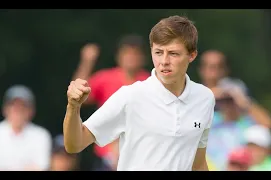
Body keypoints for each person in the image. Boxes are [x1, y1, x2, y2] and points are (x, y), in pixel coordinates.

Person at [63, 15, 215, 171]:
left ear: (192, 55)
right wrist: (73, 107)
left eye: (173, 53)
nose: (164, 61)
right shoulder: (131, 96)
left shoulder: (205, 98)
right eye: (158, 52)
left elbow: (198, 164)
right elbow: (75, 144)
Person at [72, 36, 150, 170]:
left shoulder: (150, 82)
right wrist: (87, 61)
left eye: (135, 54)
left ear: (143, 58)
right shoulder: (105, 78)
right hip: (106, 156)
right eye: (127, 53)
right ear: (119, 56)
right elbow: (78, 96)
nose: (131, 58)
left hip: (139, 155)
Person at [0, 85, 52, 171]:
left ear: (31, 111)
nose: (18, 110)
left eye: (23, 106)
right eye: (14, 106)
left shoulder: (41, 135)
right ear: (5, 109)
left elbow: (42, 167)